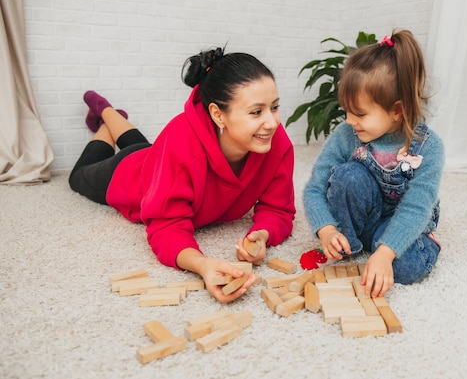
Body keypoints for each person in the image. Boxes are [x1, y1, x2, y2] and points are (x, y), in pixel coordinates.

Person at [69, 48, 296, 304]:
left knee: (146, 148)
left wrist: (262, 234)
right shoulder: (181, 145)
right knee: (77, 177)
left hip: (156, 156)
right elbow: (166, 227)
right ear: (218, 114)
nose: (272, 122)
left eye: (274, 107)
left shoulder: (276, 144)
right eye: (256, 112)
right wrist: (202, 265)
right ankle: (105, 116)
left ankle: (114, 118)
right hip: (127, 176)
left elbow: (279, 210)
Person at [303, 29, 443, 298]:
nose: (348, 120)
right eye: (346, 110)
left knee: (408, 267)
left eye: (359, 113)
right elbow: (315, 188)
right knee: (348, 176)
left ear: (397, 110)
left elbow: (417, 207)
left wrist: (386, 253)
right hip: (367, 215)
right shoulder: (347, 134)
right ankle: (353, 242)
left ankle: (412, 244)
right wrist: (327, 230)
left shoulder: (429, 147)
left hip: (406, 220)